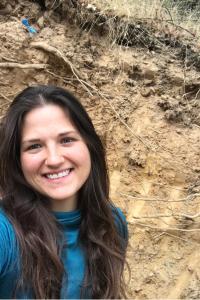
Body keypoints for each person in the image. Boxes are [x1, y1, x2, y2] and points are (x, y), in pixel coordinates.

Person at [0, 85, 128, 299]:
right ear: (17, 160)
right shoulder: (6, 234)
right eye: (34, 146)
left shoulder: (112, 224)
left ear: (90, 145)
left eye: (66, 140)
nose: (54, 159)